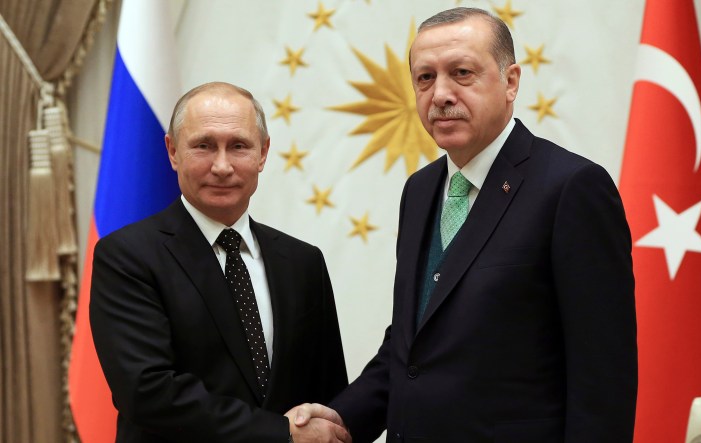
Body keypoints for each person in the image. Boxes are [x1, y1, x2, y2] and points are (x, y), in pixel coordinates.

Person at [291, 7, 637, 443]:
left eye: (461, 73)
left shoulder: (572, 188)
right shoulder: (419, 190)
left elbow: (603, 379)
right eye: (425, 78)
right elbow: (413, 345)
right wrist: (338, 421)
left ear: (511, 82)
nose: (440, 94)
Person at [90, 82, 350, 443]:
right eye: (204, 145)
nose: (223, 166)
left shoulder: (303, 262)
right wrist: (279, 433)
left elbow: (327, 392)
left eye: (239, 146)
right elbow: (147, 392)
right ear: (172, 151)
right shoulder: (127, 256)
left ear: (263, 153)